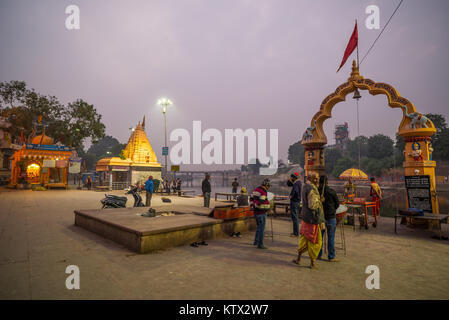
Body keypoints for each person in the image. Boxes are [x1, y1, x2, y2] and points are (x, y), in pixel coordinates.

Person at [292, 172, 325, 269]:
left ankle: (298, 259)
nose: (317, 180)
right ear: (310, 178)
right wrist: (320, 200)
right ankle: (313, 263)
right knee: (314, 241)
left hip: (306, 218)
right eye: (315, 178)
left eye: (318, 178)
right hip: (313, 219)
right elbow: (313, 205)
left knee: (304, 240)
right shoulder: (311, 189)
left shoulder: (305, 186)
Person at [318, 175, 340, 262]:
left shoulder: (317, 191)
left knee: (320, 237)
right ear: (327, 182)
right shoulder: (332, 192)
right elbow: (337, 204)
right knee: (331, 238)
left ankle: (318, 254)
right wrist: (332, 209)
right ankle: (331, 256)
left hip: (321, 218)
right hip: (331, 217)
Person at [251, 179, 271, 249]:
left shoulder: (255, 190)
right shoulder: (263, 191)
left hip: (255, 212)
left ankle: (256, 241)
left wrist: (254, 205)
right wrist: (267, 204)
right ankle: (260, 244)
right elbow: (261, 201)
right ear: (266, 185)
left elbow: (251, 199)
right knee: (262, 228)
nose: (269, 188)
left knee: (258, 227)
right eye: (268, 186)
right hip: (261, 212)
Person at [288, 172, 302, 237]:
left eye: (292, 177)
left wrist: (291, 196)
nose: (291, 178)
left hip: (294, 202)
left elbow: (295, 191)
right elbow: (288, 184)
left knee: (295, 217)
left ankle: (296, 233)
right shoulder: (299, 183)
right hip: (298, 202)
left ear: (294, 177)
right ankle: (295, 232)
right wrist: (289, 180)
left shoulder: (296, 183)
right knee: (295, 217)